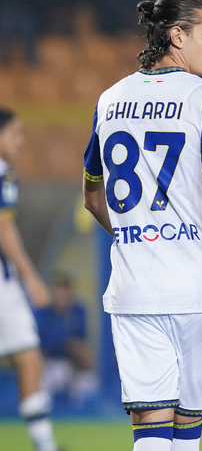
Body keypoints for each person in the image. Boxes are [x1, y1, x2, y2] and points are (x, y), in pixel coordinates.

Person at [83, 0, 202, 451]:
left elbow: (91, 196)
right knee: (186, 432)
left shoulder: (109, 100)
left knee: (151, 428)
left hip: (135, 288)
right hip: (199, 287)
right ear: (177, 36)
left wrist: (134, 233)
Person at [0, 107, 60, 451]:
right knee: (29, 360)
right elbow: (4, 227)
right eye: (15, 134)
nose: (21, 142)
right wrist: (32, 279)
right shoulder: (4, 173)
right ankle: (44, 445)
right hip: (3, 286)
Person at [34, 273, 98, 403]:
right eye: (59, 289)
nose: (62, 293)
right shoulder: (43, 312)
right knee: (44, 386)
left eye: (65, 289)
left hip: (72, 364)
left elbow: (81, 343)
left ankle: (81, 418)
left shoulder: (78, 311)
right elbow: (42, 345)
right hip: (50, 363)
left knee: (90, 384)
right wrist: (68, 343)